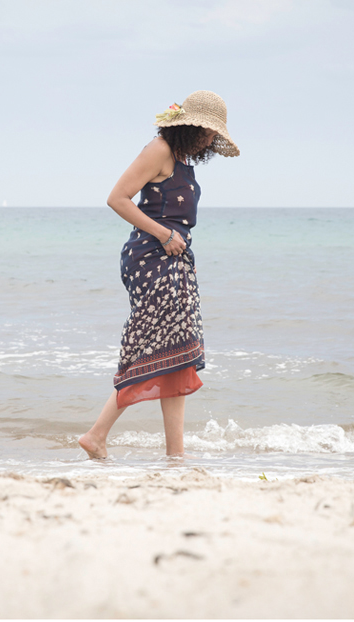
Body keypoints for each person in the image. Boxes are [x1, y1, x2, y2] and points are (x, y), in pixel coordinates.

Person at [78, 90, 239, 459]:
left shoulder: (182, 160)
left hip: (175, 261)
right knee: (153, 344)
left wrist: (176, 243)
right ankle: (97, 435)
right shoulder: (160, 150)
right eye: (210, 132)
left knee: (178, 352)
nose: (212, 140)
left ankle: (174, 454)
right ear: (193, 127)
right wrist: (164, 234)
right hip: (151, 258)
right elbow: (117, 198)